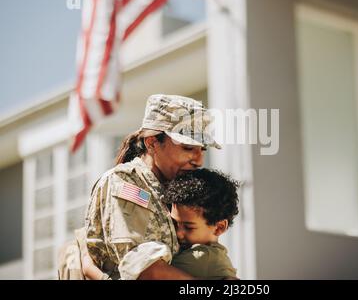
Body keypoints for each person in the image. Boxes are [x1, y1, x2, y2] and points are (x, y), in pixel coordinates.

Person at [57, 94, 221, 280]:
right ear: (152, 143)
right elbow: (147, 271)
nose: (199, 160)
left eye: (202, 149)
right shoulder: (125, 183)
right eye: (188, 148)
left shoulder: (179, 189)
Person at [118, 168, 240, 280]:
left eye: (188, 227)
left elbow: (145, 271)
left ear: (219, 227)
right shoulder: (214, 256)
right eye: (175, 223)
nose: (179, 233)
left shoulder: (201, 258)